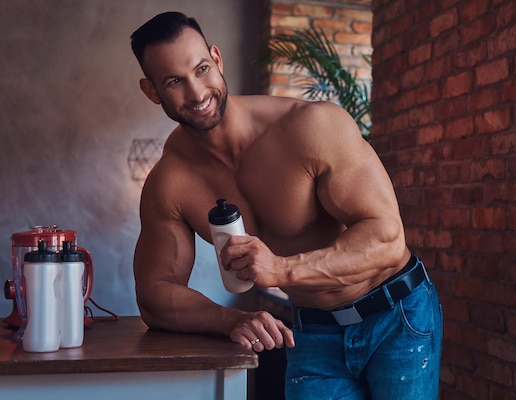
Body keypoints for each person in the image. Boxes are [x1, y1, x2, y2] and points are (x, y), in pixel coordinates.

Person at [130, 11, 443, 400]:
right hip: (312, 330)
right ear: (152, 91)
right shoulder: (169, 183)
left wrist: (281, 268)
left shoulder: (311, 127)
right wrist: (231, 320)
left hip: (396, 314)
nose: (196, 93)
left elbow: (387, 240)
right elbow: (155, 294)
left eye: (202, 69)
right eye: (175, 81)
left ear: (217, 58)